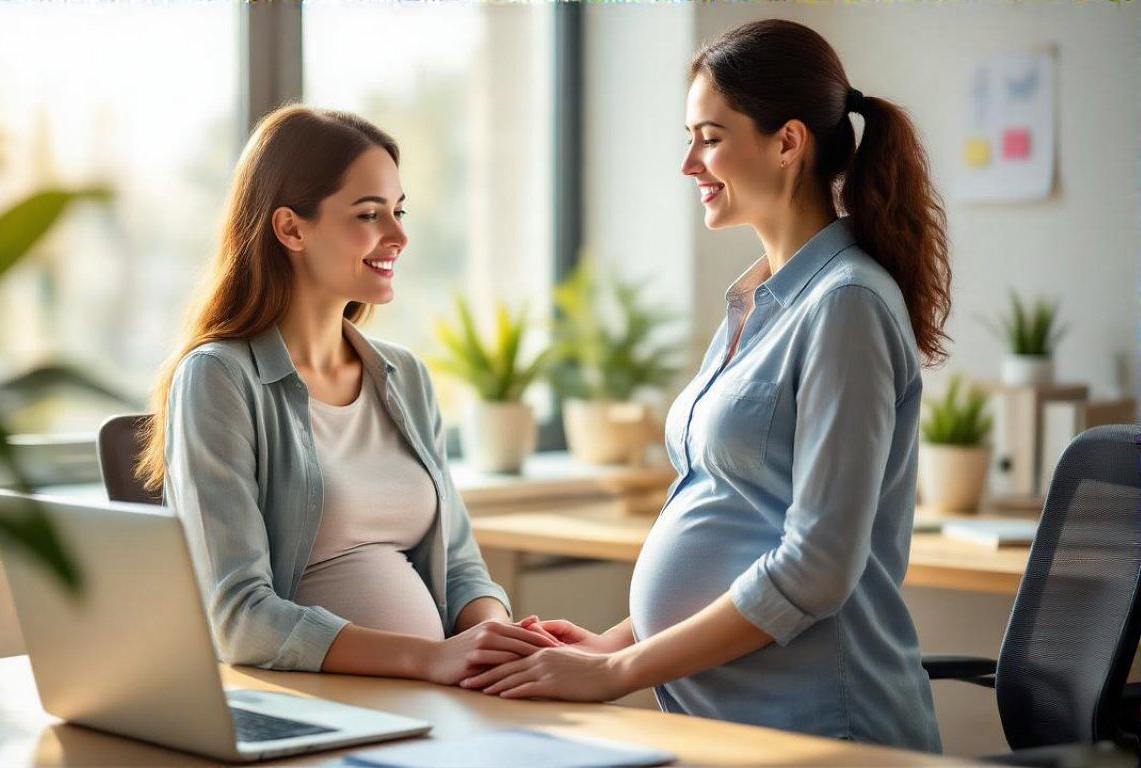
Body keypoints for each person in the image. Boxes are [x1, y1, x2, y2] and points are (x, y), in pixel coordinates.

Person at [461, 19, 950, 752]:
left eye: (710, 136)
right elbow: (731, 510)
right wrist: (609, 644)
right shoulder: (759, 298)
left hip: (822, 728)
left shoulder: (845, 303)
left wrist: (620, 669)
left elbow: (816, 567)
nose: (689, 162)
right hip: (730, 724)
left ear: (788, 142)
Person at [137, 105, 557, 685]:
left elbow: (460, 565)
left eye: (399, 211)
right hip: (319, 704)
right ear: (291, 228)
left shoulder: (403, 376)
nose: (399, 235)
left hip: (441, 695)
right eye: (369, 214)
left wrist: (497, 639)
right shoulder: (219, 377)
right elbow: (237, 617)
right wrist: (432, 658)